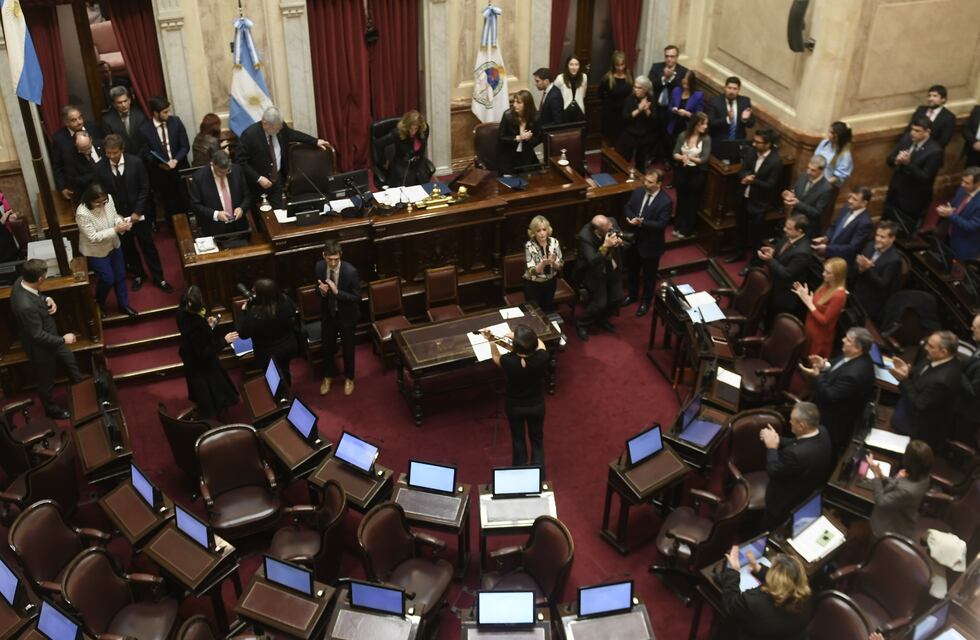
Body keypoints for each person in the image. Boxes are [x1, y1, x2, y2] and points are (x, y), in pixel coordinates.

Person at [95, 134, 171, 293]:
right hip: (118, 217)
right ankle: (138, 274)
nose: (111, 156)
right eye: (108, 153)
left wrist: (137, 212)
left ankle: (158, 277)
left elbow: (145, 188)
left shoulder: (136, 162)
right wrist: (114, 216)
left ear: (122, 149)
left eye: (115, 152)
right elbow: (102, 194)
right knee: (128, 248)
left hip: (139, 214)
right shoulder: (100, 167)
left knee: (148, 245)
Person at [10, 259, 83, 419]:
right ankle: (52, 410)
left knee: (70, 361)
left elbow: (36, 294)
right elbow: (37, 335)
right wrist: (63, 340)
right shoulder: (25, 306)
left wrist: (46, 298)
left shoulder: (21, 280)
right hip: (40, 348)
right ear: (40, 279)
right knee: (46, 382)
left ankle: (83, 393)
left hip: (52, 337)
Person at [799, 327, 876, 454]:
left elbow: (830, 395)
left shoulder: (854, 374)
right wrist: (824, 366)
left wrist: (816, 376)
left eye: (848, 340)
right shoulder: (855, 355)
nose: (843, 340)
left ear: (858, 348)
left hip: (831, 422)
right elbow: (839, 364)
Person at [483, 324, 548, 471]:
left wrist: (491, 340)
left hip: (515, 406)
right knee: (537, 440)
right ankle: (540, 476)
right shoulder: (542, 357)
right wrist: (524, 338)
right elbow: (540, 344)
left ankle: (519, 472)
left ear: (515, 347)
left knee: (518, 439)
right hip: (536, 406)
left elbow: (495, 358)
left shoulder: (508, 361)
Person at [237, 106, 331, 207]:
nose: (278, 131)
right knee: (263, 215)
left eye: (280, 127)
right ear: (265, 123)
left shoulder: (280, 127)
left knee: (278, 212)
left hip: (277, 182)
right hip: (258, 186)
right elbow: (241, 161)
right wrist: (258, 178)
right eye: (276, 128)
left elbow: (294, 134)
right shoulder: (249, 135)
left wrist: (315, 141)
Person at [760, 401, 833, 531]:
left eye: (792, 420)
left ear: (801, 426)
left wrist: (771, 447)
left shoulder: (794, 454)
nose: (789, 422)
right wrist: (777, 439)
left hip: (783, 504)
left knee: (768, 529)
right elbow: (799, 442)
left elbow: (773, 470)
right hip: (807, 491)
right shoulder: (822, 431)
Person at [717, 549, 812, 640]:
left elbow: (730, 604)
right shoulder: (805, 599)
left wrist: (733, 571)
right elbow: (785, 580)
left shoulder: (754, 602)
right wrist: (758, 568)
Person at [176, 285, 239, 419]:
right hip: (202, 366)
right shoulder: (196, 326)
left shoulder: (181, 312)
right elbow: (204, 352)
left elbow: (196, 337)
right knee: (213, 395)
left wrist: (208, 325)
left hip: (190, 357)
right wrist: (224, 341)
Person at [75, 182, 137, 318]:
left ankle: (123, 304)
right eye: (97, 203)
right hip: (96, 251)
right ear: (89, 200)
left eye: (104, 201)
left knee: (120, 275)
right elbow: (93, 237)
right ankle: (98, 303)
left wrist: (120, 222)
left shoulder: (108, 199)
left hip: (114, 244)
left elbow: (114, 216)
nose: (102, 205)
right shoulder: (82, 213)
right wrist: (116, 229)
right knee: (108, 279)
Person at [890, 331, 961, 447]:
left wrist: (904, 380)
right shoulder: (936, 357)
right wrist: (908, 371)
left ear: (944, 352)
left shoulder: (943, 381)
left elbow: (919, 404)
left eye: (931, 346)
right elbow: (922, 372)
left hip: (916, 428)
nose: (926, 348)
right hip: (907, 408)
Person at [622, 169, 672, 317]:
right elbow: (627, 207)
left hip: (651, 245)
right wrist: (632, 218)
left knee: (649, 276)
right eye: (645, 180)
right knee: (632, 271)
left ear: (659, 184)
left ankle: (645, 301)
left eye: (650, 182)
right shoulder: (638, 192)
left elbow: (662, 224)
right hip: (634, 241)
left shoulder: (666, 201)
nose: (645, 183)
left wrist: (641, 223)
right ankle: (632, 295)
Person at [727, 129, 781, 264]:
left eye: (758, 142)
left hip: (760, 203)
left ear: (768, 144)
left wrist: (753, 181)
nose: (754, 144)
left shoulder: (775, 161)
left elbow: (771, 185)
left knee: (756, 235)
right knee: (740, 228)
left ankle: (755, 262)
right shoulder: (751, 152)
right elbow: (742, 170)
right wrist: (745, 176)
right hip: (744, 198)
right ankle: (739, 253)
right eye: (754, 141)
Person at [236, 278, 299, 387]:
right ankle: (287, 389)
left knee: (272, 377)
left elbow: (243, 333)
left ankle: (280, 394)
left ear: (261, 296)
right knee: (285, 369)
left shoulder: (255, 314)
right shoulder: (286, 300)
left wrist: (243, 312)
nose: (252, 292)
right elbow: (294, 312)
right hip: (288, 346)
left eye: (255, 291)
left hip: (267, 353)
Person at [316, 240, 359, 397]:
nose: (333, 263)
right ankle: (328, 376)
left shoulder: (350, 271)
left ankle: (349, 378)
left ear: (341, 255)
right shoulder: (319, 267)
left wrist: (337, 292)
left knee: (348, 348)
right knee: (327, 347)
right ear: (324, 255)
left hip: (346, 316)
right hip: (328, 314)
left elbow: (357, 297)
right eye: (330, 259)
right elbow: (317, 289)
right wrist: (322, 292)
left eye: (336, 259)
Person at [138, 95, 191, 224]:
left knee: (186, 201)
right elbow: (146, 153)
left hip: (180, 169)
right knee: (169, 205)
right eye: (165, 112)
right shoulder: (145, 130)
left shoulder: (176, 122)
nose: (169, 114)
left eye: (169, 110)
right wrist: (160, 164)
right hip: (161, 174)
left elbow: (185, 146)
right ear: (156, 113)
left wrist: (175, 160)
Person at [884, 117, 942, 233]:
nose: (912, 133)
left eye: (917, 131)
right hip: (895, 191)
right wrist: (896, 160)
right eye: (912, 129)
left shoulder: (935, 151)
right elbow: (889, 159)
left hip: (912, 198)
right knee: (886, 224)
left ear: (927, 132)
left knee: (903, 230)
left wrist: (908, 164)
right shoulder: (907, 139)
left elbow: (925, 177)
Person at [866, 440, 932, 540]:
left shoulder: (908, 491)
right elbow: (899, 484)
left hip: (891, 528)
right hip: (900, 513)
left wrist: (876, 476)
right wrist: (881, 476)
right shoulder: (923, 477)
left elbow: (881, 501)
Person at [574, 215, 625, 341]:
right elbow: (592, 261)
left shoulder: (612, 222)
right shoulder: (585, 236)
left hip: (612, 267)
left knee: (618, 298)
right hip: (595, 272)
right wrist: (605, 246)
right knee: (599, 303)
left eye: (610, 224)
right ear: (598, 230)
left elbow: (623, 238)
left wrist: (620, 242)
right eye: (608, 227)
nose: (611, 227)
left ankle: (602, 319)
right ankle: (581, 324)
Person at [758, 215, 813, 322]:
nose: (784, 229)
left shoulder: (803, 252)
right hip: (774, 285)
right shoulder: (789, 236)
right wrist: (773, 252)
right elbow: (782, 253)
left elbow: (787, 273)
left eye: (789, 228)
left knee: (775, 320)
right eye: (785, 226)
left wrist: (770, 260)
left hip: (784, 294)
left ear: (799, 231)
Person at [189, 150, 252, 236]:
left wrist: (242, 208)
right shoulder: (199, 178)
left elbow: (247, 196)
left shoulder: (237, 170)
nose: (224, 175)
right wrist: (216, 214)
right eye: (220, 172)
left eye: (227, 171)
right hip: (214, 228)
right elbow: (195, 205)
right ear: (212, 164)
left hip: (239, 226)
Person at [794, 257, 847, 359]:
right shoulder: (827, 284)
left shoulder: (839, 296)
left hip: (819, 337)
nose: (823, 274)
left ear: (837, 276)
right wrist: (805, 296)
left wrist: (809, 303)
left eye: (828, 272)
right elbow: (817, 305)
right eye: (824, 270)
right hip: (809, 328)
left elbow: (825, 320)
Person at [852, 221, 902, 325]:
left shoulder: (894, 260)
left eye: (882, 237)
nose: (878, 239)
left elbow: (883, 283)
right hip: (857, 291)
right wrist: (859, 267)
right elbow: (857, 265)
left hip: (871, 301)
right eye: (877, 235)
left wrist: (868, 268)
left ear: (892, 239)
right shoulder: (870, 245)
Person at [52, 105, 105, 200]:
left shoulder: (93, 127)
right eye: (74, 120)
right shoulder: (59, 139)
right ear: (66, 122)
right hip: (82, 185)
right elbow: (58, 165)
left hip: (103, 180)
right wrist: (62, 187)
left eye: (80, 118)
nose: (79, 122)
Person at [811, 186, 874, 266]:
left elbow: (852, 248)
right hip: (827, 255)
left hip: (841, 262)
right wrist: (826, 237)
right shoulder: (846, 208)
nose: (850, 201)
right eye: (850, 197)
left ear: (864, 203)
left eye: (855, 199)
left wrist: (828, 249)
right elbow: (834, 225)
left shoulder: (865, 223)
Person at [672, 112, 711, 238]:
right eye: (703, 124)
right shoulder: (683, 135)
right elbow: (675, 153)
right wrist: (682, 157)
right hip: (682, 171)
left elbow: (704, 159)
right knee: (681, 199)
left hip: (696, 173)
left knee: (691, 201)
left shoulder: (706, 139)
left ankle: (686, 229)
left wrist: (689, 157)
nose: (705, 126)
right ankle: (677, 226)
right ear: (695, 124)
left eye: (706, 124)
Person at [648, 45, 688, 163]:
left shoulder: (683, 72)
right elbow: (650, 84)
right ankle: (651, 156)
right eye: (667, 56)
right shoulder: (656, 67)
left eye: (672, 56)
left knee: (668, 135)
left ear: (677, 57)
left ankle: (666, 159)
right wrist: (663, 78)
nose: (669, 59)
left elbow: (681, 89)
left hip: (672, 109)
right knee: (654, 133)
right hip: (657, 107)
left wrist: (669, 79)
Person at [375, 111, 432, 187]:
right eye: (410, 128)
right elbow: (378, 144)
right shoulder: (397, 133)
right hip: (402, 166)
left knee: (425, 189)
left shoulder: (424, 130)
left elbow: (423, 147)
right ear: (406, 126)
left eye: (416, 128)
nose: (413, 132)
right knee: (404, 190)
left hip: (418, 164)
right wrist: (384, 161)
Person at [781, 156, 833, 237]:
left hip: (807, 227)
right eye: (808, 168)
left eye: (813, 170)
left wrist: (798, 204)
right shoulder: (803, 175)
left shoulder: (826, 188)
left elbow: (817, 212)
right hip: (793, 220)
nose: (809, 172)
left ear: (821, 170)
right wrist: (790, 194)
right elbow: (796, 190)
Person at [936, 166, 980, 261]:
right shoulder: (962, 190)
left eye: (967, 183)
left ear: (978, 184)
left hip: (964, 245)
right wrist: (947, 209)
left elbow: (971, 227)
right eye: (962, 181)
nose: (962, 184)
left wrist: (951, 215)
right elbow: (954, 206)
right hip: (948, 236)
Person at [522, 215, 563, 313]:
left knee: (548, 311)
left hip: (550, 282)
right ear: (533, 233)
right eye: (538, 230)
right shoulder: (529, 246)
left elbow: (560, 266)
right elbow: (532, 271)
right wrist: (543, 263)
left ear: (548, 230)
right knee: (535, 313)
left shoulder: (554, 242)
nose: (542, 233)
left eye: (544, 229)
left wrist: (553, 263)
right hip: (533, 285)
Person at [496, 90, 541, 176]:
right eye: (514, 101)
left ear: (527, 105)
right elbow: (501, 137)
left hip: (526, 154)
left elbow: (539, 138)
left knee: (536, 178)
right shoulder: (507, 115)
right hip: (508, 154)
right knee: (510, 180)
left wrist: (529, 139)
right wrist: (518, 138)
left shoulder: (535, 117)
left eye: (518, 102)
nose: (514, 105)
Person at [616, 76, 655, 172]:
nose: (635, 89)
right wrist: (639, 109)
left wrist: (646, 110)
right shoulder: (629, 99)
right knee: (624, 160)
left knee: (641, 162)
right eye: (635, 87)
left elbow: (654, 120)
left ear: (645, 89)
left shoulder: (651, 100)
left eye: (639, 88)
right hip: (629, 134)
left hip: (644, 135)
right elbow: (625, 118)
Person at [953, 313, 980, 443]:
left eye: (975, 327)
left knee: (958, 441)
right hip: (961, 407)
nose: (971, 329)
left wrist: (958, 370)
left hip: (967, 413)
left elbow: (973, 392)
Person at [707, 76, 755, 148]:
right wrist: (727, 120)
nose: (731, 91)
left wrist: (745, 120)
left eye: (735, 89)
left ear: (739, 90)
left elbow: (751, 124)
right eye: (729, 88)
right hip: (719, 142)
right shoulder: (715, 101)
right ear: (725, 88)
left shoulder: (744, 101)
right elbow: (710, 123)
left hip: (738, 142)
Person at [906, 85, 957, 149]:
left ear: (943, 99)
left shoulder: (949, 117)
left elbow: (943, 141)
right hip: (911, 146)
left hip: (931, 151)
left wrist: (925, 150)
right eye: (929, 96)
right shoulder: (920, 110)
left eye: (935, 96)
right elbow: (909, 129)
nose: (930, 99)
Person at [101, 86, 147, 155]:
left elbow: (145, 140)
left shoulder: (140, 116)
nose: (123, 105)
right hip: (121, 157)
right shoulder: (107, 121)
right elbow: (110, 144)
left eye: (125, 101)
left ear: (130, 100)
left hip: (141, 156)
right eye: (119, 103)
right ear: (114, 104)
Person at [597, 52, 632, 144]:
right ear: (613, 65)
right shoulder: (607, 78)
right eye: (617, 65)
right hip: (611, 113)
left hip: (625, 112)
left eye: (622, 65)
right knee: (611, 140)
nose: (620, 68)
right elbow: (600, 94)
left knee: (623, 139)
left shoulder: (629, 75)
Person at [813, 121, 853, 188]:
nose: (828, 134)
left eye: (831, 133)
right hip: (815, 179)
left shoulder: (845, 155)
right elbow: (815, 157)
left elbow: (838, 176)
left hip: (827, 185)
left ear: (838, 136)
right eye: (829, 131)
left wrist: (822, 185)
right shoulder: (825, 143)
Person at [63, 131, 103, 196]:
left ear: (91, 139)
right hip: (87, 191)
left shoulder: (101, 144)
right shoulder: (70, 157)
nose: (87, 152)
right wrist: (94, 175)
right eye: (82, 150)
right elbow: (73, 181)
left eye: (88, 148)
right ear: (76, 145)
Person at [668, 69, 704, 137]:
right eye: (683, 83)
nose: (685, 85)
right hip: (673, 126)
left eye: (687, 84)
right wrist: (673, 110)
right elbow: (670, 106)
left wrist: (687, 114)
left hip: (687, 128)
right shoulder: (676, 90)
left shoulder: (698, 96)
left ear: (691, 82)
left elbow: (699, 116)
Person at [554, 56, 587, 122]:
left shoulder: (584, 77)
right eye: (571, 64)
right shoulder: (560, 78)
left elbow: (583, 94)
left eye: (576, 64)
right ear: (567, 66)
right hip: (565, 110)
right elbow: (555, 95)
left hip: (579, 109)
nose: (574, 67)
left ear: (580, 66)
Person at [0, 191, 21, 263]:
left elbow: (5, 213)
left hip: (9, 246)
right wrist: (1, 221)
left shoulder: (0, 196)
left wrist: (9, 218)